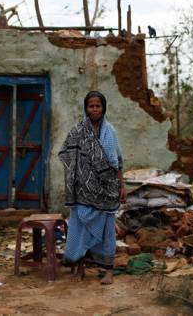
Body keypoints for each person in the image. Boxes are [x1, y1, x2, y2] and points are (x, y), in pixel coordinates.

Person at [59, 91, 126, 284]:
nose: (94, 109)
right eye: (91, 106)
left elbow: (117, 160)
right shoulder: (77, 131)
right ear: (85, 108)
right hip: (82, 191)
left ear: (103, 108)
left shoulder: (110, 132)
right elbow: (66, 153)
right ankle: (79, 268)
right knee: (79, 228)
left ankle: (108, 271)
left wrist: (122, 186)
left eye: (98, 106)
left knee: (106, 232)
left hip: (106, 191)